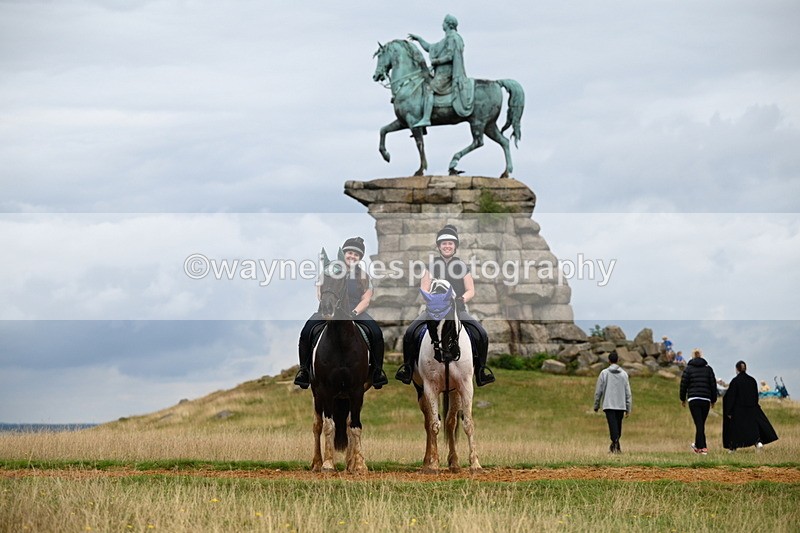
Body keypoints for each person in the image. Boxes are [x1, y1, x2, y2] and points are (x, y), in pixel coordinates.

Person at [395, 224, 495, 386]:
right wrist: (433, 301)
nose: (447, 246)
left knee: (481, 334)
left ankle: (481, 370)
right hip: (434, 310)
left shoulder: (462, 266)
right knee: (410, 332)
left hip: (457, 309)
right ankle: (407, 368)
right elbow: (424, 289)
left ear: (455, 246)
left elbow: (470, 290)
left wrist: (461, 300)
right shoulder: (431, 266)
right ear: (439, 247)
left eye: (450, 243)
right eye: (444, 243)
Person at [294, 237, 388, 390]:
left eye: (356, 255)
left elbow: (366, 299)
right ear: (344, 254)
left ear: (360, 258)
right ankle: (304, 370)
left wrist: (354, 312)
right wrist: (327, 307)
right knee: (306, 332)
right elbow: (320, 290)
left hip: (355, 312)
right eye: (349, 253)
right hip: (328, 310)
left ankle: (377, 371)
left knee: (376, 333)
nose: (352, 256)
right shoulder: (330, 270)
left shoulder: (363, 276)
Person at [407, 14, 475, 127]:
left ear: (448, 24)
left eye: (443, 22)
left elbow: (450, 56)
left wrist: (436, 61)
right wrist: (419, 39)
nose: (442, 24)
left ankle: (426, 118)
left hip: (446, 74)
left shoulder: (453, 38)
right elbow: (430, 48)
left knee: (429, 89)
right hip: (441, 73)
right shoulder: (446, 39)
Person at [723, 361, 778, 452]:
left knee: (736, 430)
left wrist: (728, 411)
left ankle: (733, 448)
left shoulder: (735, 381)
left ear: (737, 369)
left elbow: (730, 397)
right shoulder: (752, 380)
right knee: (753, 429)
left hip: (738, 410)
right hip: (752, 409)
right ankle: (758, 443)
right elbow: (756, 397)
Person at [679, 348, 717, 455]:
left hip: (693, 399)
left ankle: (703, 448)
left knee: (699, 424)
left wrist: (682, 398)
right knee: (700, 424)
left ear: (692, 356)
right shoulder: (708, 369)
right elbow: (713, 385)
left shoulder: (688, 369)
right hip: (705, 399)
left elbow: (683, 385)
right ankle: (698, 446)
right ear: (701, 355)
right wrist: (713, 399)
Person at [593, 353, 632, 454]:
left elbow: (599, 390)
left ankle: (614, 446)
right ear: (618, 360)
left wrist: (596, 405)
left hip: (608, 404)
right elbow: (628, 392)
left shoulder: (604, 373)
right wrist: (628, 407)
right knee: (618, 426)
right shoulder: (624, 374)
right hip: (621, 404)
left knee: (613, 426)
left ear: (609, 360)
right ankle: (616, 447)